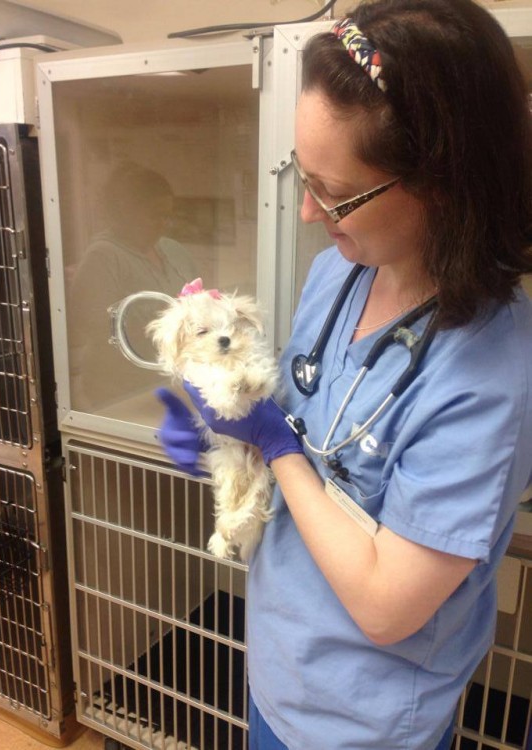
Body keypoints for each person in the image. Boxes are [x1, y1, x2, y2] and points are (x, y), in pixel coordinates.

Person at [155, 0, 532, 747]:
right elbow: (305, 429)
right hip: (278, 667)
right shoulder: (339, 273)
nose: (305, 212)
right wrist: (226, 434)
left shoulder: (495, 369)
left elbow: (388, 607)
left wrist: (278, 445)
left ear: (442, 181)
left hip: (362, 722)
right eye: (304, 175)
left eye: (333, 192)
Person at [69, 162, 196, 409]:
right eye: (155, 215)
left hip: (170, 381)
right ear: (125, 211)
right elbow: (95, 328)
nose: (164, 223)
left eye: (167, 215)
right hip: (120, 388)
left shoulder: (172, 249)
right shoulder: (102, 257)